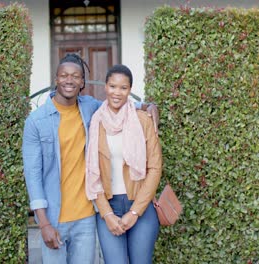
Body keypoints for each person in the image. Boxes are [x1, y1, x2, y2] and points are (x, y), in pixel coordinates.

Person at [22, 54, 158, 264]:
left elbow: (119, 102)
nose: (69, 80)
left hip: (85, 217)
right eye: (64, 75)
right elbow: (32, 175)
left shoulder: (90, 109)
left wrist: (147, 106)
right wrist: (43, 223)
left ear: (83, 82)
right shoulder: (36, 121)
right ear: (56, 79)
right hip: (55, 218)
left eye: (75, 76)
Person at [86, 64, 162, 264]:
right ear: (105, 87)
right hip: (109, 206)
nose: (117, 93)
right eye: (112, 86)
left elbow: (154, 168)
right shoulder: (96, 122)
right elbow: (94, 173)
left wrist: (135, 211)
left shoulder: (143, 120)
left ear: (130, 90)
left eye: (123, 88)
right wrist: (107, 213)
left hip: (141, 205)